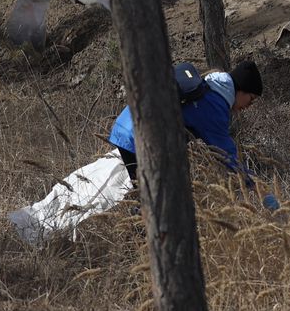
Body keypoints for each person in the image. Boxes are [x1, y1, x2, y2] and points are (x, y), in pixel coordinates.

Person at [108, 60, 277, 209]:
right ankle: (141, 237)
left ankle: (139, 236)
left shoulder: (208, 86)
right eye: (251, 99)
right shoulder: (214, 105)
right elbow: (226, 155)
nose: (249, 105)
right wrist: (259, 187)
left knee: (152, 200)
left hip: (127, 127)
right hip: (139, 137)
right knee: (158, 205)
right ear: (241, 90)